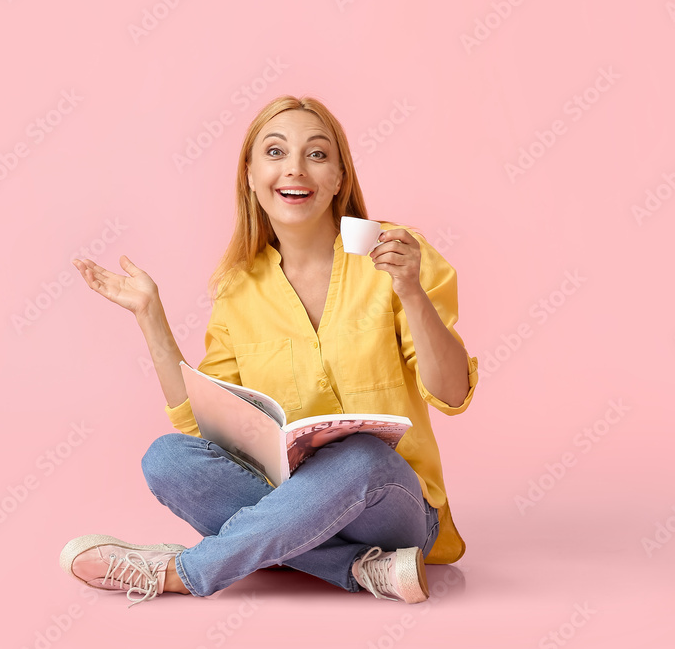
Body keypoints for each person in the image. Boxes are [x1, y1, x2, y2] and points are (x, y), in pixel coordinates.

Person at [59, 95, 479, 607]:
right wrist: (150, 315)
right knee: (168, 459)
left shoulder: (396, 255)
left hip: (396, 506)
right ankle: (360, 569)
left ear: (340, 177)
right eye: (275, 152)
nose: (295, 169)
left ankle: (183, 572)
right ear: (251, 177)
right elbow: (201, 424)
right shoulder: (238, 287)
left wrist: (411, 291)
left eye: (317, 154)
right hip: (293, 500)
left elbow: (453, 391)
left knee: (362, 458)